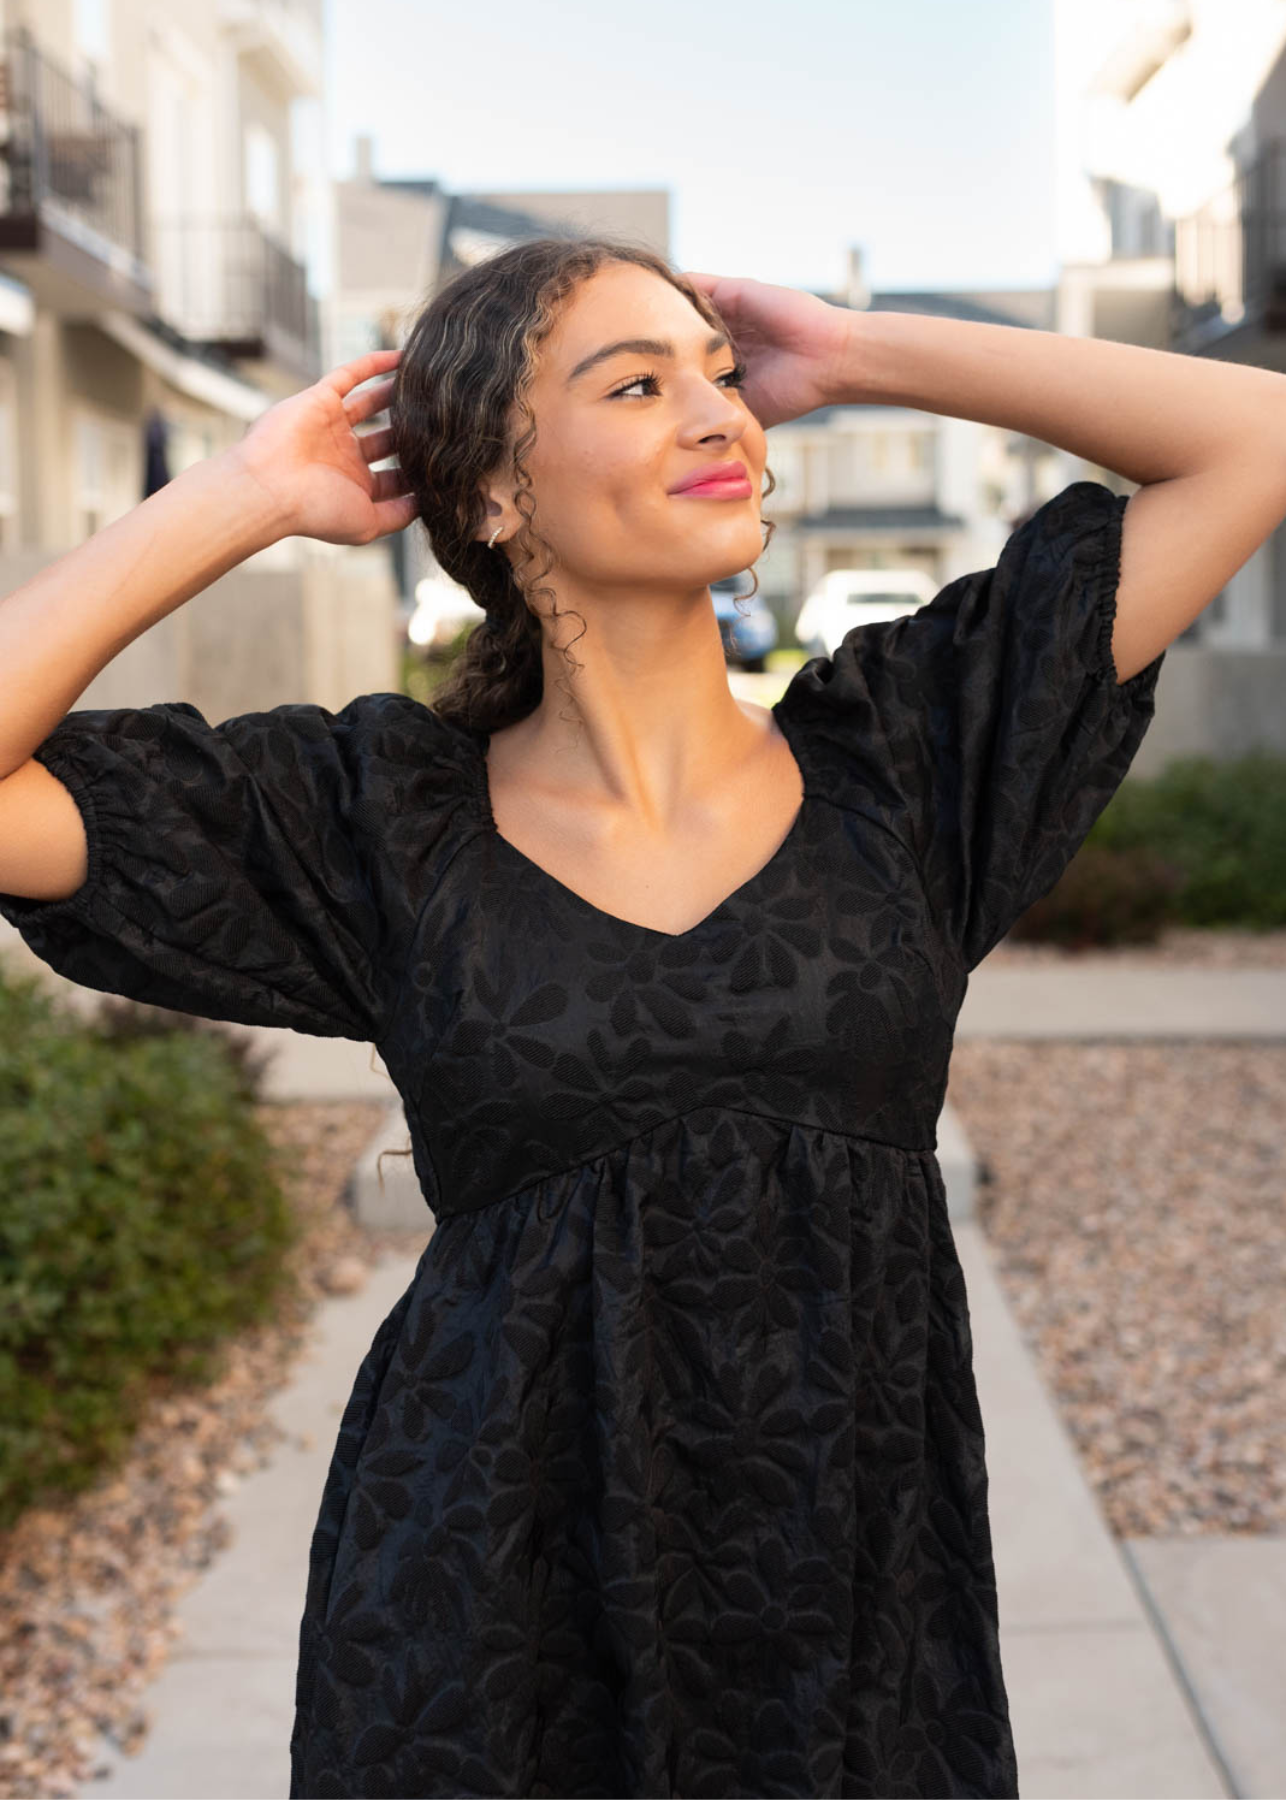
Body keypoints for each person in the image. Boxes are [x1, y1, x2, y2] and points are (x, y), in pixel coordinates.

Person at [1, 232, 1282, 1800]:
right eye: (636, 382)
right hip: (487, 1636)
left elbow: (1256, 436)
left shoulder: (912, 755)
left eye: (721, 380)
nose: (715, 415)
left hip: (852, 1635)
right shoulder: (376, 819)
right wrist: (246, 495)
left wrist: (860, 352)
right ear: (494, 496)